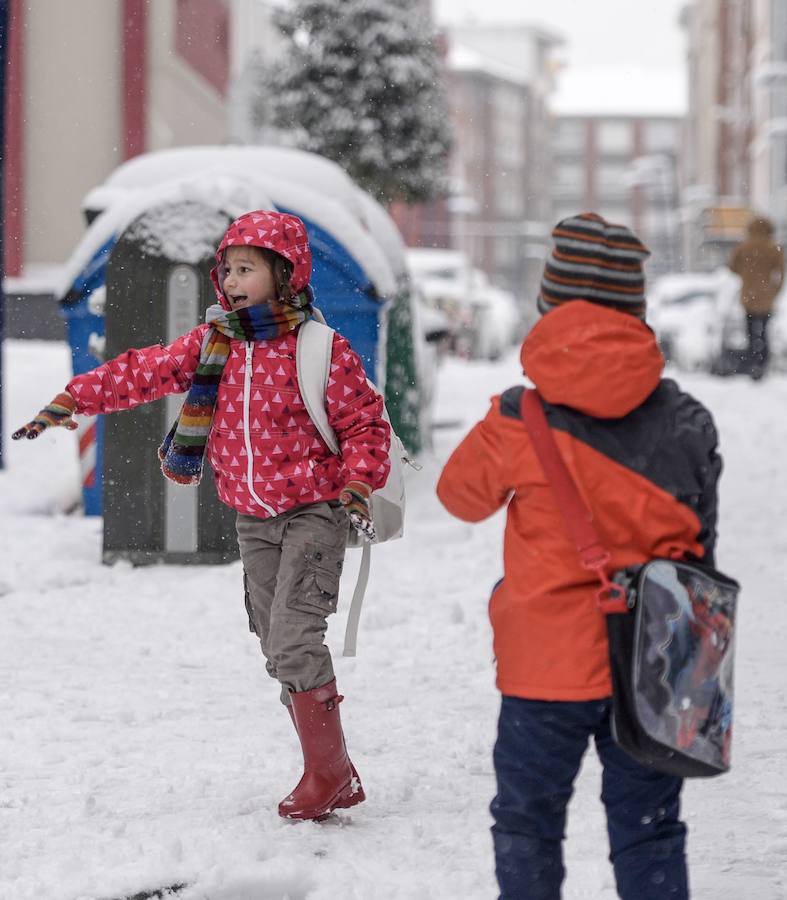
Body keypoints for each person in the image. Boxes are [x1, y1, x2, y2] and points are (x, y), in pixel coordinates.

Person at [13, 209, 391, 822]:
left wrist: (355, 485)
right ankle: (333, 769)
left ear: (285, 273)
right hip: (253, 517)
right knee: (275, 646)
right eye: (229, 269)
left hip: (314, 512)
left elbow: (363, 423)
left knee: (296, 639)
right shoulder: (218, 343)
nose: (234, 280)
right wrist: (75, 399)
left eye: (248, 268)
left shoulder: (321, 348)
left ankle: (329, 774)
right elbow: (147, 370)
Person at [436, 212, 721, 900]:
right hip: (656, 665)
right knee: (648, 827)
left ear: (547, 308)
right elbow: (698, 542)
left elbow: (458, 498)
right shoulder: (686, 420)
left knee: (528, 822)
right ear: (635, 308)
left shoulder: (515, 420)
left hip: (544, 669)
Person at [727, 214, 784, 379]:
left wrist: (746, 275)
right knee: (765, 331)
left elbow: (732, 266)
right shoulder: (773, 247)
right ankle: (763, 363)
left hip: (748, 297)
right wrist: (775, 290)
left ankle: (752, 363)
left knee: (751, 331)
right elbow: (781, 272)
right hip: (767, 298)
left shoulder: (744, 247)